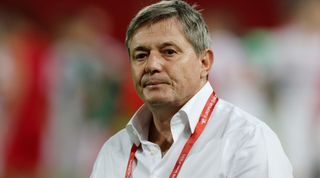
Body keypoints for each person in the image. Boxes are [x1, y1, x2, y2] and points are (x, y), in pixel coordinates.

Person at [90, 1, 293, 178]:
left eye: (169, 52)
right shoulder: (114, 150)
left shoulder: (248, 141)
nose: (152, 65)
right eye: (141, 55)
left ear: (204, 62)